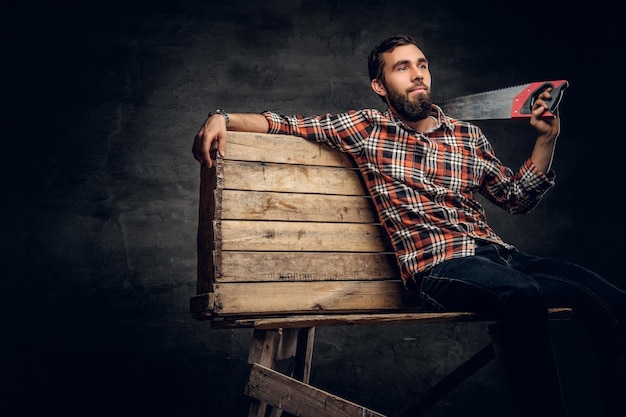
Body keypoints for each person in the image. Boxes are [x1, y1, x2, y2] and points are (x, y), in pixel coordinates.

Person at [192, 34, 625, 417]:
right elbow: (283, 123)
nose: (417, 75)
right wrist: (222, 117)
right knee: (521, 295)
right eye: (403, 68)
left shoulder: (466, 135)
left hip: (500, 257)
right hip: (438, 266)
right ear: (381, 86)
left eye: (422, 65)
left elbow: (516, 198)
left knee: (610, 301)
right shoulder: (366, 127)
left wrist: (545, 140)